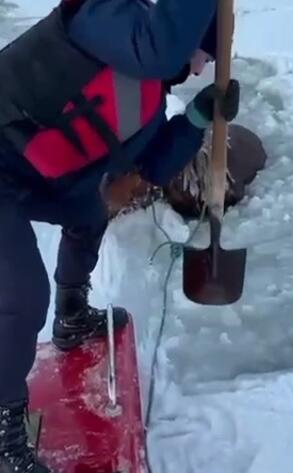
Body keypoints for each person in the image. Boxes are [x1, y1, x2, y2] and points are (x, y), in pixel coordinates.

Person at [0, 0, 240, 471]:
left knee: (89, 213)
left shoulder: (147, 96)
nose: (201, 69)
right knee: (21, 293)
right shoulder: (103, 16)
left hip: (27, 176)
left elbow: (149, 166)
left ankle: (72, 313)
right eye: (204, 56)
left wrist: (196, 119)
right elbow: (157, 46)